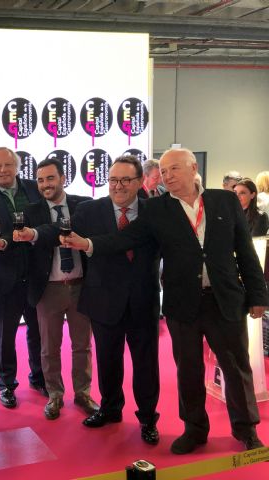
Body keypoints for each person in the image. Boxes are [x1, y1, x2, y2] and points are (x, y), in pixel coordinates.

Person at [64, 148, 269, 454]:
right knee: (188, 371)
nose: (167, 176)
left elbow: (246, 251)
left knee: (237, 369)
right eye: (163, 171)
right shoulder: (157, 209)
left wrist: (258, 295)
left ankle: (246, 430)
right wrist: (88, 244)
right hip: (182, 303)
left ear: (193, 168)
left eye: (174, 169)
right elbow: (125, 238)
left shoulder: (224, 201)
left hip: (224, 299)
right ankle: (195, 430)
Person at [72, 155, 161, 445]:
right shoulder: (89, 211)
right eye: (113, 180)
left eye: (125, 180)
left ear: (140, 181)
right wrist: (33, 234)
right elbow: (62, 233)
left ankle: (148, 418)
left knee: (146, 365)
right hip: (103, 299)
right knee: (107, 361)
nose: (118, 186)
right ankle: (110, 409)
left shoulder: (155, 211)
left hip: (143, 301)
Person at [13, 157, 98, 420]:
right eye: (40, 180)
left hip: (81, 287)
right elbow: (35, 239)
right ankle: (55, 394)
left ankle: (83, 393)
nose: (45, 185)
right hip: (48, 289)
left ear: (63, 178)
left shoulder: (84, 205)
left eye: (50, 178)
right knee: (49, 347)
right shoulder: (30, 212)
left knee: (82, 345)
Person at [0, 146, 46, 409]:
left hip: (35, 273)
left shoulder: (34, 188)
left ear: (17, 166)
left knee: (39, 331)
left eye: (8, 165)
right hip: (0, 276)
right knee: (4, 336)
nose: (3, 170)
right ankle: (6, 384)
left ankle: (39, 377)